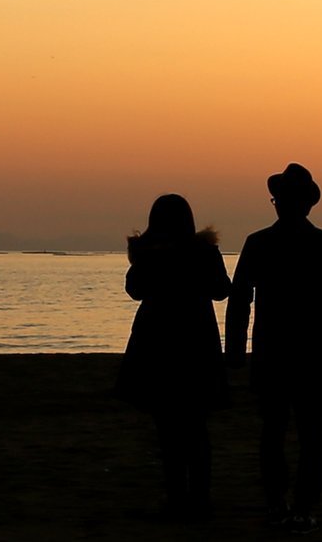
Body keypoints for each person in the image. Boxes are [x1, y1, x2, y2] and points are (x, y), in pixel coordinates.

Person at [225, 163, 322, 534]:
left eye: (283, 198)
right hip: (301, 356)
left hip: (286, 354)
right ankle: (292, 505)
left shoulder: (264, 243)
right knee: (301, 435)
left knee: (284, 433)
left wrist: (235, 349)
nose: (280, 204)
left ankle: (286, 504)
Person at [115, 194, 231, 520]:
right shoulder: (203, 252)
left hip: (158, 344)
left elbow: (134, 289)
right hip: (196, 343)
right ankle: (199, 499)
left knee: (168, 429)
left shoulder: (150, 254)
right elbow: (222, 289)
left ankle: (178, 499)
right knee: (196, 427)